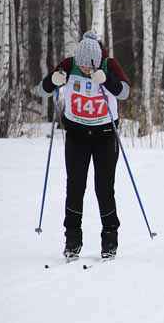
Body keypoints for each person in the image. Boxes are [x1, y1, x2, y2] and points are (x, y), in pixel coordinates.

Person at [37, 30, 131, 260]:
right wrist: (53, 81)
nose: (86, 70)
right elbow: (41, 90)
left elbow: (125, 93)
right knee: (75, 186)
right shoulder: (69, 65)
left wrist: (106, 80)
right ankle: (72, 240)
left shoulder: (109, 64)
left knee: (104, 188)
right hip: (77, 134)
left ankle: (110, 239)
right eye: (83, 67)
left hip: (106, 135)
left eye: (90, 67)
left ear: (97, 60)